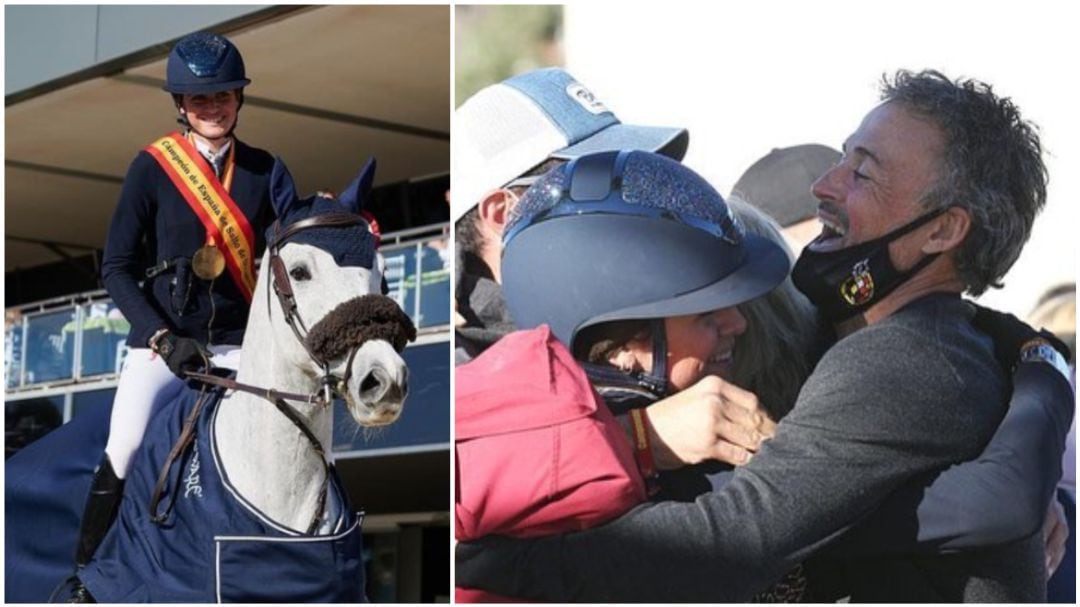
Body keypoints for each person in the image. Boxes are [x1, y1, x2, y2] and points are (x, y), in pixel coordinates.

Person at [456, 70, 1074, 601]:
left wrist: (484, 569)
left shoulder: (906, 353)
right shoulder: (468, 367)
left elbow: (734, 539)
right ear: (501, 213)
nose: (823, 185)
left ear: (942, 233)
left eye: (863, 172)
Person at [60, 32, 276, 601]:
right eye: (201, 100)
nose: (213, 107)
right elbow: (117, 268)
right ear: (181, 105)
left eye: (224, 96)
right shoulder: (152, 168)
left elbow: (287, 243)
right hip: (163, 345)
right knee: (126, 445)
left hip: (238, 343)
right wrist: (159, 335)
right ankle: (85, 577)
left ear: (238, 99)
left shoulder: (264, 170)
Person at [453, 67, 688, 363]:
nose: (628, 198)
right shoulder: (463, 363)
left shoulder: (655, 305)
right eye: (594, 180)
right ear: (505, 213)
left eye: (630, 173)